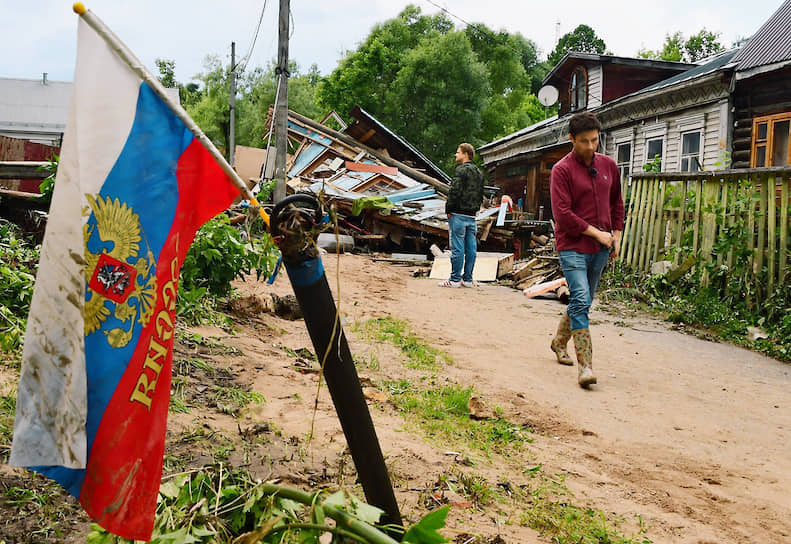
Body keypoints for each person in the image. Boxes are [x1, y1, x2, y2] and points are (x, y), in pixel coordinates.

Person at [549, 112, 624, 388]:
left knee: (585, 299)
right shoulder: (562, 170)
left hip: (601, 247)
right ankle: (586, 367)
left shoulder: (609, 166)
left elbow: (617, 203)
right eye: (584, 141)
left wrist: (615, 236)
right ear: (572, 139)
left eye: (595, 140)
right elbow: (563, 215)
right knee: (581, 298)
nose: (591, 146)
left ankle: (558, 341)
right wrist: (598, 234)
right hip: (572, 245)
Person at [439, 143, 485, 288]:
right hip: (472, 216)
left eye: (458, 152)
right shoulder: (479, 173)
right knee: (471, 248)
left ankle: (454, 279)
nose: (456, 155)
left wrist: (448, 209)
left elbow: (454, 191)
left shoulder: (460, 171)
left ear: (466, 154)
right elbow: (480, 195)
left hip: (458, 214)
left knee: (457, 247)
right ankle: (468, 279)